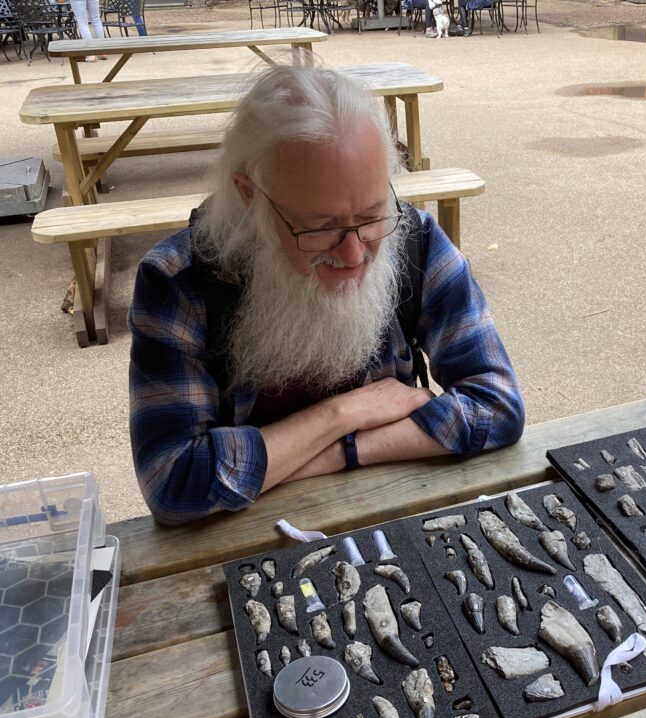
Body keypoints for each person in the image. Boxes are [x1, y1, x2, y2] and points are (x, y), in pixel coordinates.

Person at [128, 64, 525, 526]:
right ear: (249, 195)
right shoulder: (179, 282)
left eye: (372, 215)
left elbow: (497, 405)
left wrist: (339, 452)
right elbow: (173, 482)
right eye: (318, 227)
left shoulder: (416, 241)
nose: (355, 254)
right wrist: (343, 413)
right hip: (247, 538)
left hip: (395, 513)